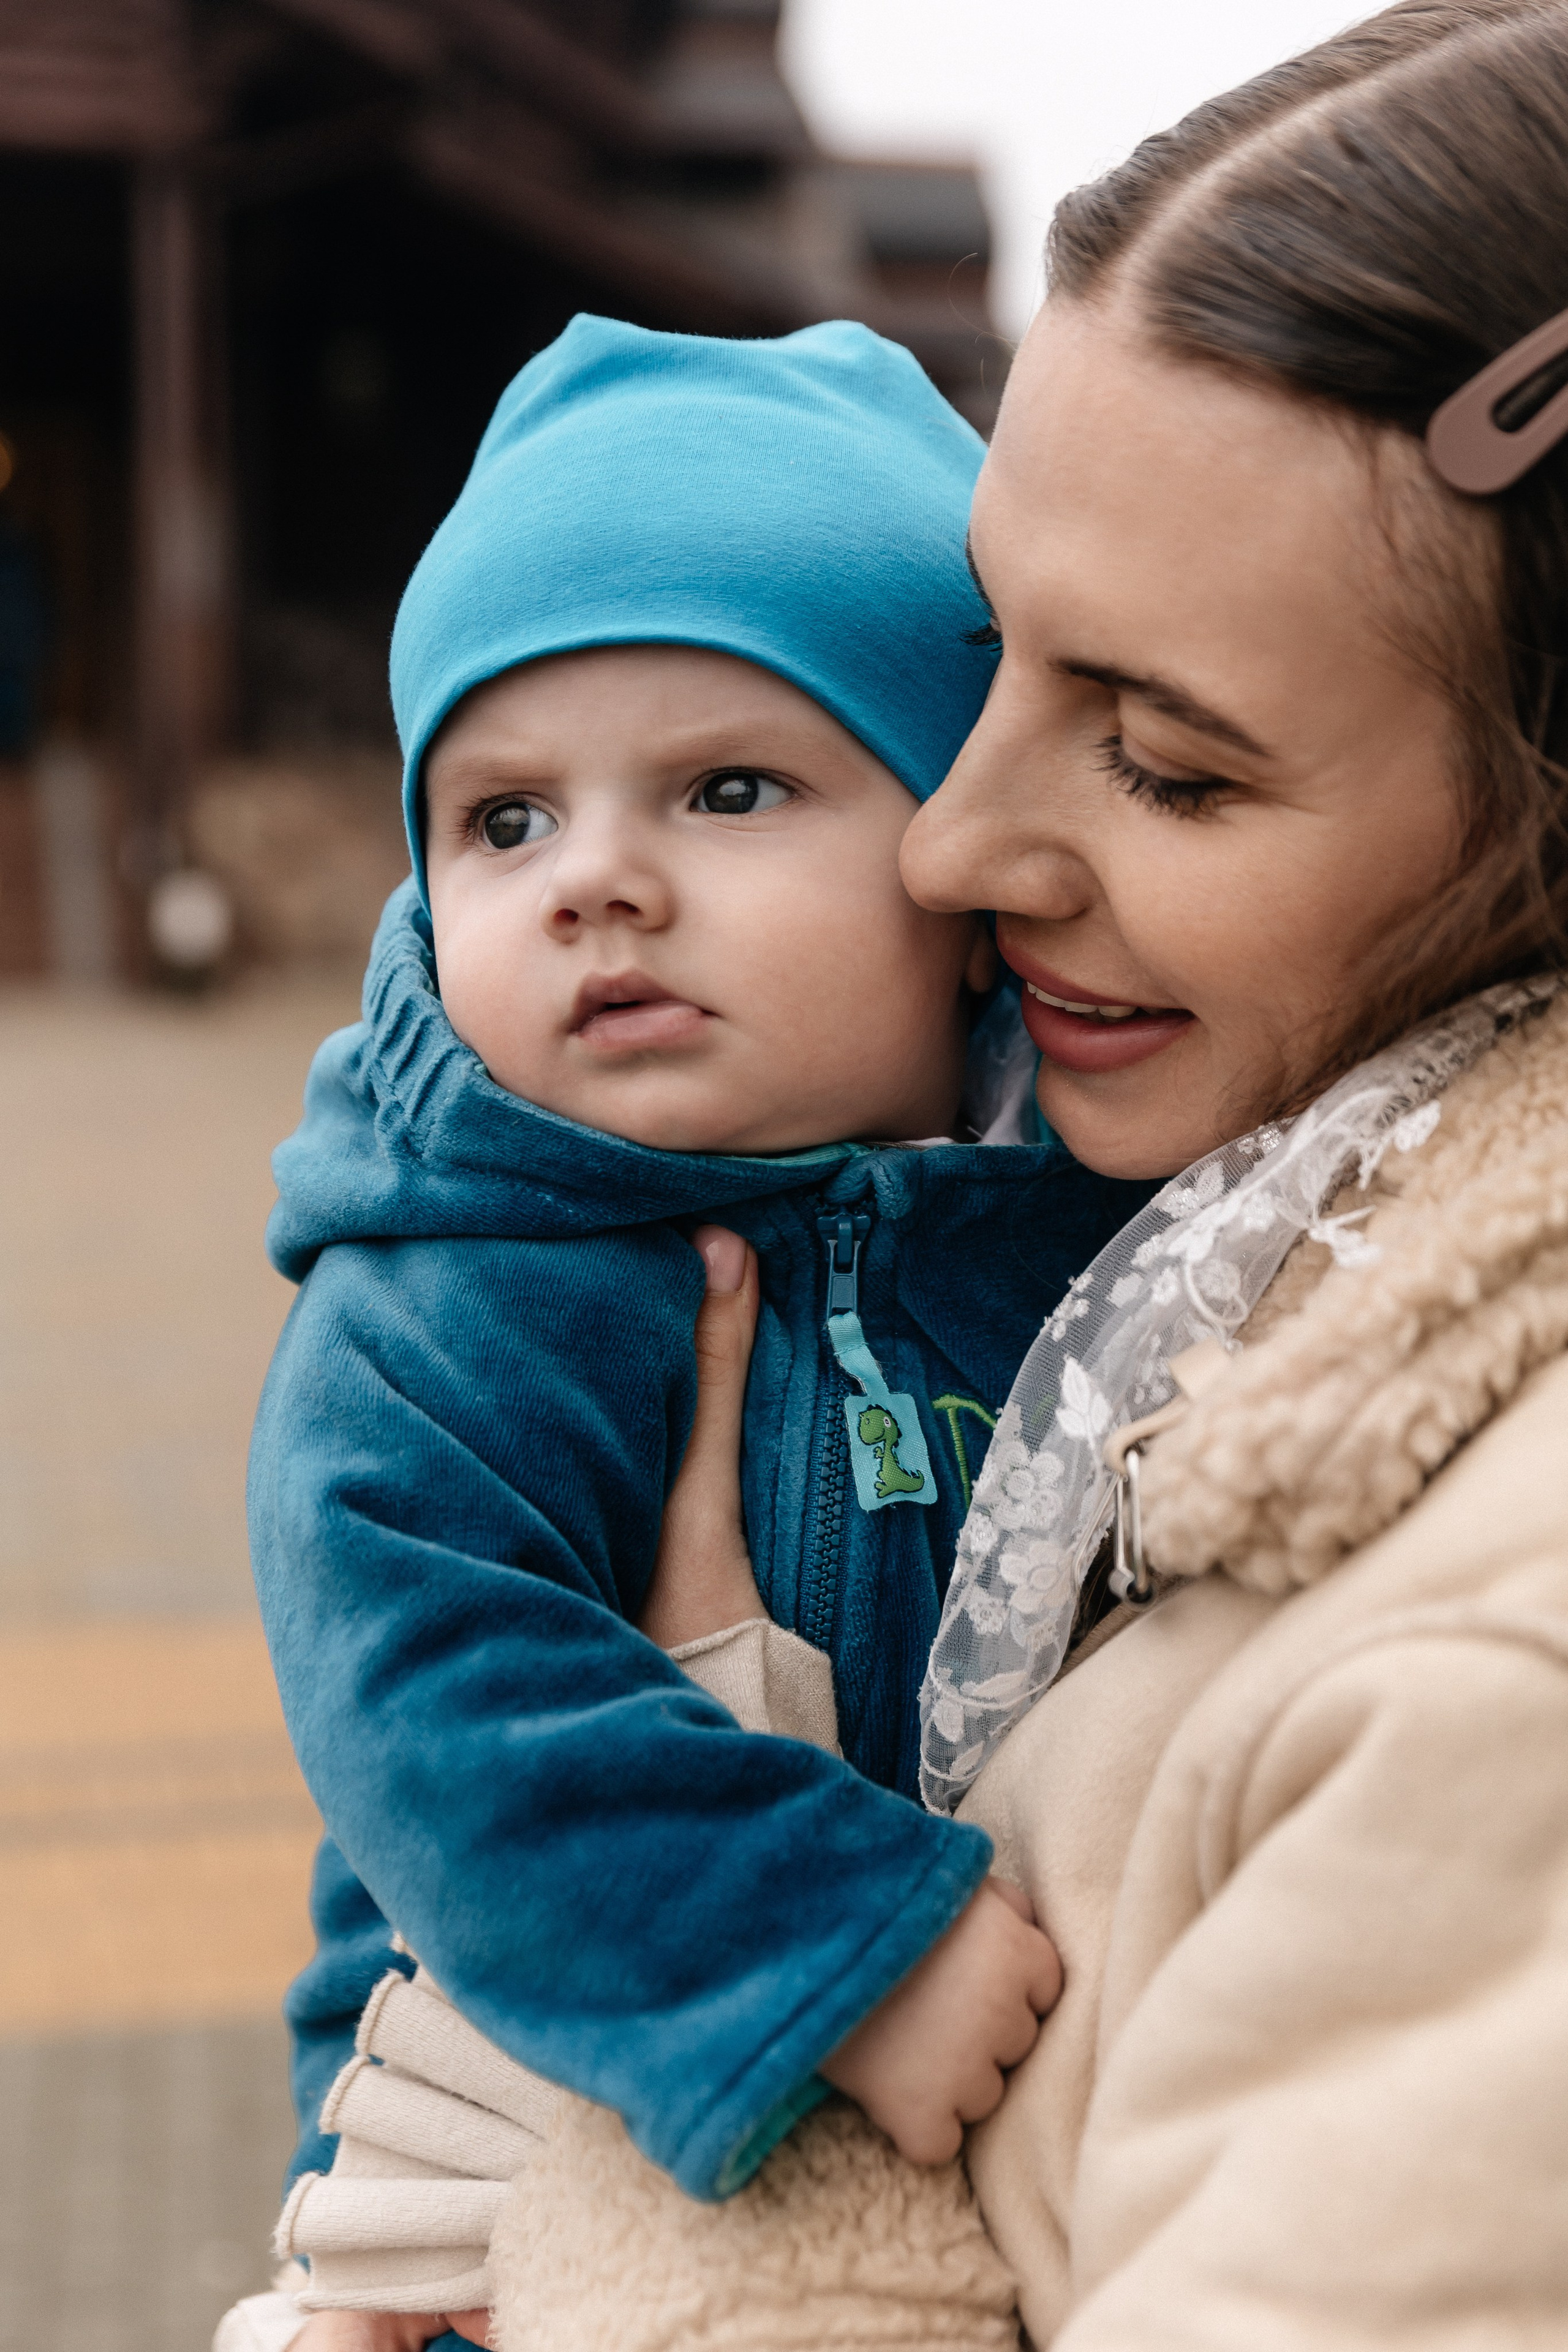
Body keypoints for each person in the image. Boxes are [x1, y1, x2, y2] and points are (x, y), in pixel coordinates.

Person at [473, 4, 1568, 2345]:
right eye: (993, 659)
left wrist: (588, 2248)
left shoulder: (1512, 1673)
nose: (957, 843)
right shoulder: (1161, 1247)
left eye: (1165, 762)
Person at [235, 314, 1146, 2350]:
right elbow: (442, 1693)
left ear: (954, 852)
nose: (599, 886)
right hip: (513, 2196)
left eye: (727, 790)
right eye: (505, 820)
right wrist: (834, 1946)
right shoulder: (462, 1285)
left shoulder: (1111, 1214)